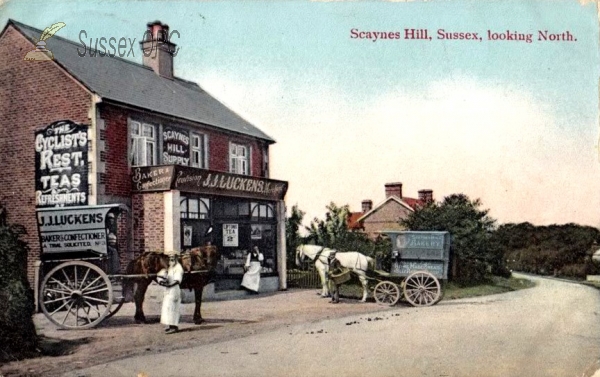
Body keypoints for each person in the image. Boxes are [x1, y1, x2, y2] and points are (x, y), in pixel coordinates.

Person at [157, 251, 184, 334]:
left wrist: (170, 285)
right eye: (170, 258)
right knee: (167, 307)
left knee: (173, 308)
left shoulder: (178, 267)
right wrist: (161, 281)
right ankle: (170, 326)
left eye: (173, 258)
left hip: (174, 289)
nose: (171, 259)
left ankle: (174, 327)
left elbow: (177, 280)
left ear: (176, 258)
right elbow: (162, 275)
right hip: (168, 290)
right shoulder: (170, 267)